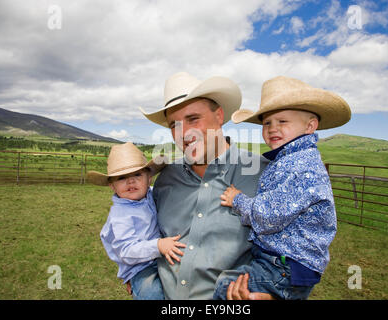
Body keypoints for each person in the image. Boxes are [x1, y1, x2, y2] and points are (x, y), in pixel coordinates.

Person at [213, 75, 351, 300]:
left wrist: (237, 199)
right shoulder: (292, 159)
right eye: (267, 123)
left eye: (283, 122)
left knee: (226, 286)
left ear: (310, 126)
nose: (272, 128)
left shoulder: (299, 166)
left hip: (285, 264)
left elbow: (269, 216)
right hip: (287, 262)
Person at [139, 72, 270, 299]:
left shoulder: (262, 174)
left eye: (193, 119)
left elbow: (298, 249)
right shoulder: (166, 180)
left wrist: (275, 294)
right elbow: (143, 235)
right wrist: (139, 278)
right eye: (174, 125)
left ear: (219, 115)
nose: (184, 133)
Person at [87, 142, 186, 300]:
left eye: (137, 175)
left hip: (159, 257)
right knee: (152, 293)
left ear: (149, 178)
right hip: (139, 267)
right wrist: (158, 245)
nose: (130, 181)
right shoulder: (120, 215)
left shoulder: (151, 195)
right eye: (122, 178)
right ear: (113, 186)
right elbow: (126, 251)